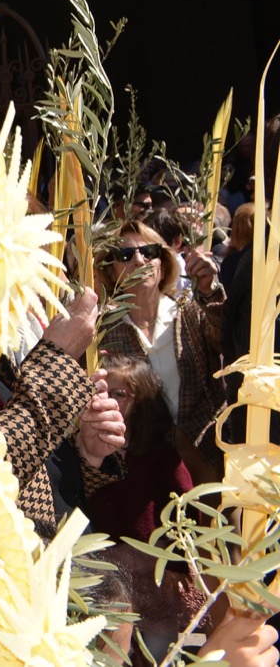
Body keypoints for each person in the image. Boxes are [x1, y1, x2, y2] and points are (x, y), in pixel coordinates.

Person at [85, 354, 203, 664]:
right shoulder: (89, 451)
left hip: (153, 569)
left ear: (144, 402)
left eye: (119, 394)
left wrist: (177, 564)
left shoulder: (160, 457)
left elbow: (185, 508)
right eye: (101, 391)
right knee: (112, 647)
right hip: (107, 571)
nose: (107, 399)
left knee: (155, 649)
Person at [97, 219, 227, 473]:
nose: (139, 260)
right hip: (141, 468)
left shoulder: (188, 310)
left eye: (148, 252)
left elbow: (227, 342)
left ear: (163, 262)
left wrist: (211, 291)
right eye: (125, 254)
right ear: (111, 270)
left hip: (206, 455)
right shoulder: (103, 329)